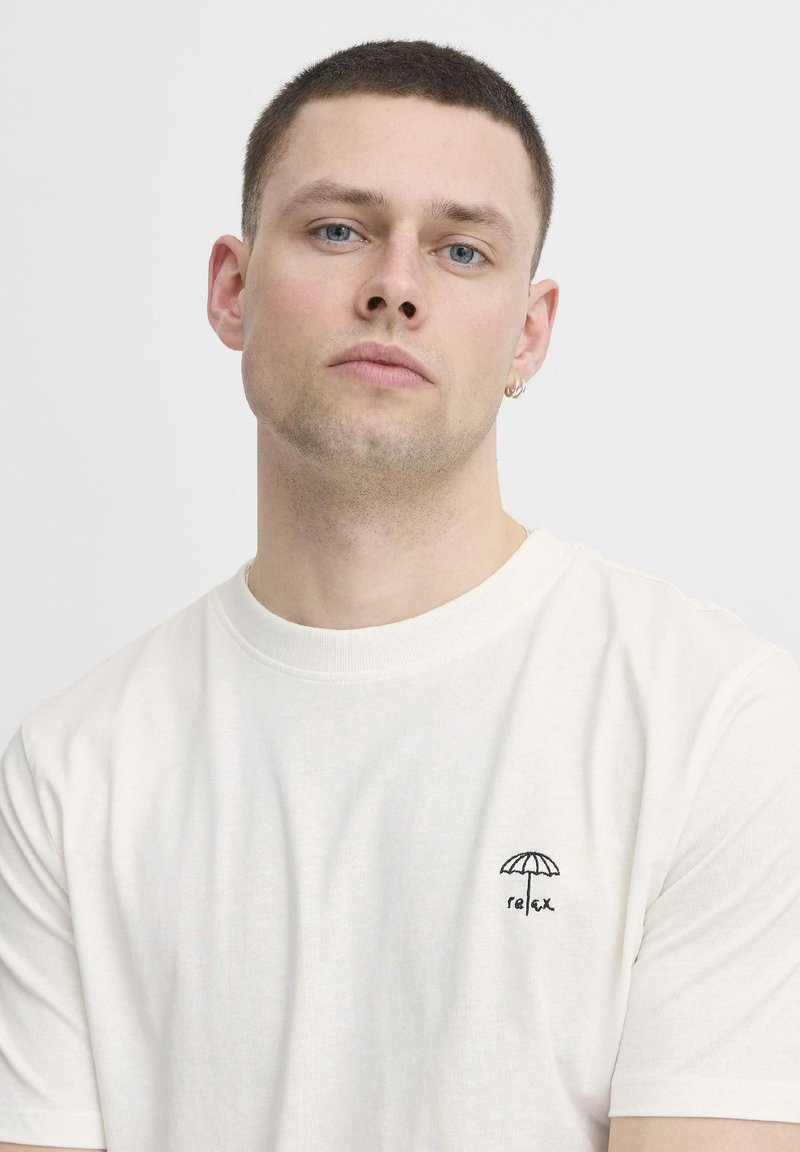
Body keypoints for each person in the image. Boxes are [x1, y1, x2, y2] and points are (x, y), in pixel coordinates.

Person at [0, 38, 798, 1152]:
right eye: (338, 230)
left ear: (529, 335)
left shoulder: (714, 723)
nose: (394, 286)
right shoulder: (71, 773)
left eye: (462, 250)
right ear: (231, 290)